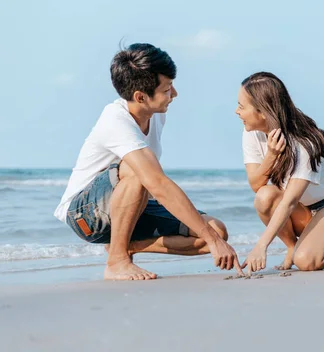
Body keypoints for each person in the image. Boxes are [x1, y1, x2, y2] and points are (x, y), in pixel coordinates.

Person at [54, 43, 243, 280]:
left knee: (216, 231)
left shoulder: (155, 115)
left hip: (131, 207)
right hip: (86, 215)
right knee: (138, 169)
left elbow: (155, 186)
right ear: (140, 97)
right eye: (167, 89)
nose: (174, 95)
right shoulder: (115, 120)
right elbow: (156, 182)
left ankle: (122, 247)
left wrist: (214, 239)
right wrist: (213, 242)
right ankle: (117, 261)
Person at [235, 72, 324, 275]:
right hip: (303, 209)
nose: (236, 111)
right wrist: (272, 154)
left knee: (306, 262)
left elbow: (289, 201)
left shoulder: (302, 144)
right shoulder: (251, 132)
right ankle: (293, 247)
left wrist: (261, 246)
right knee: (264, 196)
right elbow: (257, 186)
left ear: (263, 112)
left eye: (241, 106)